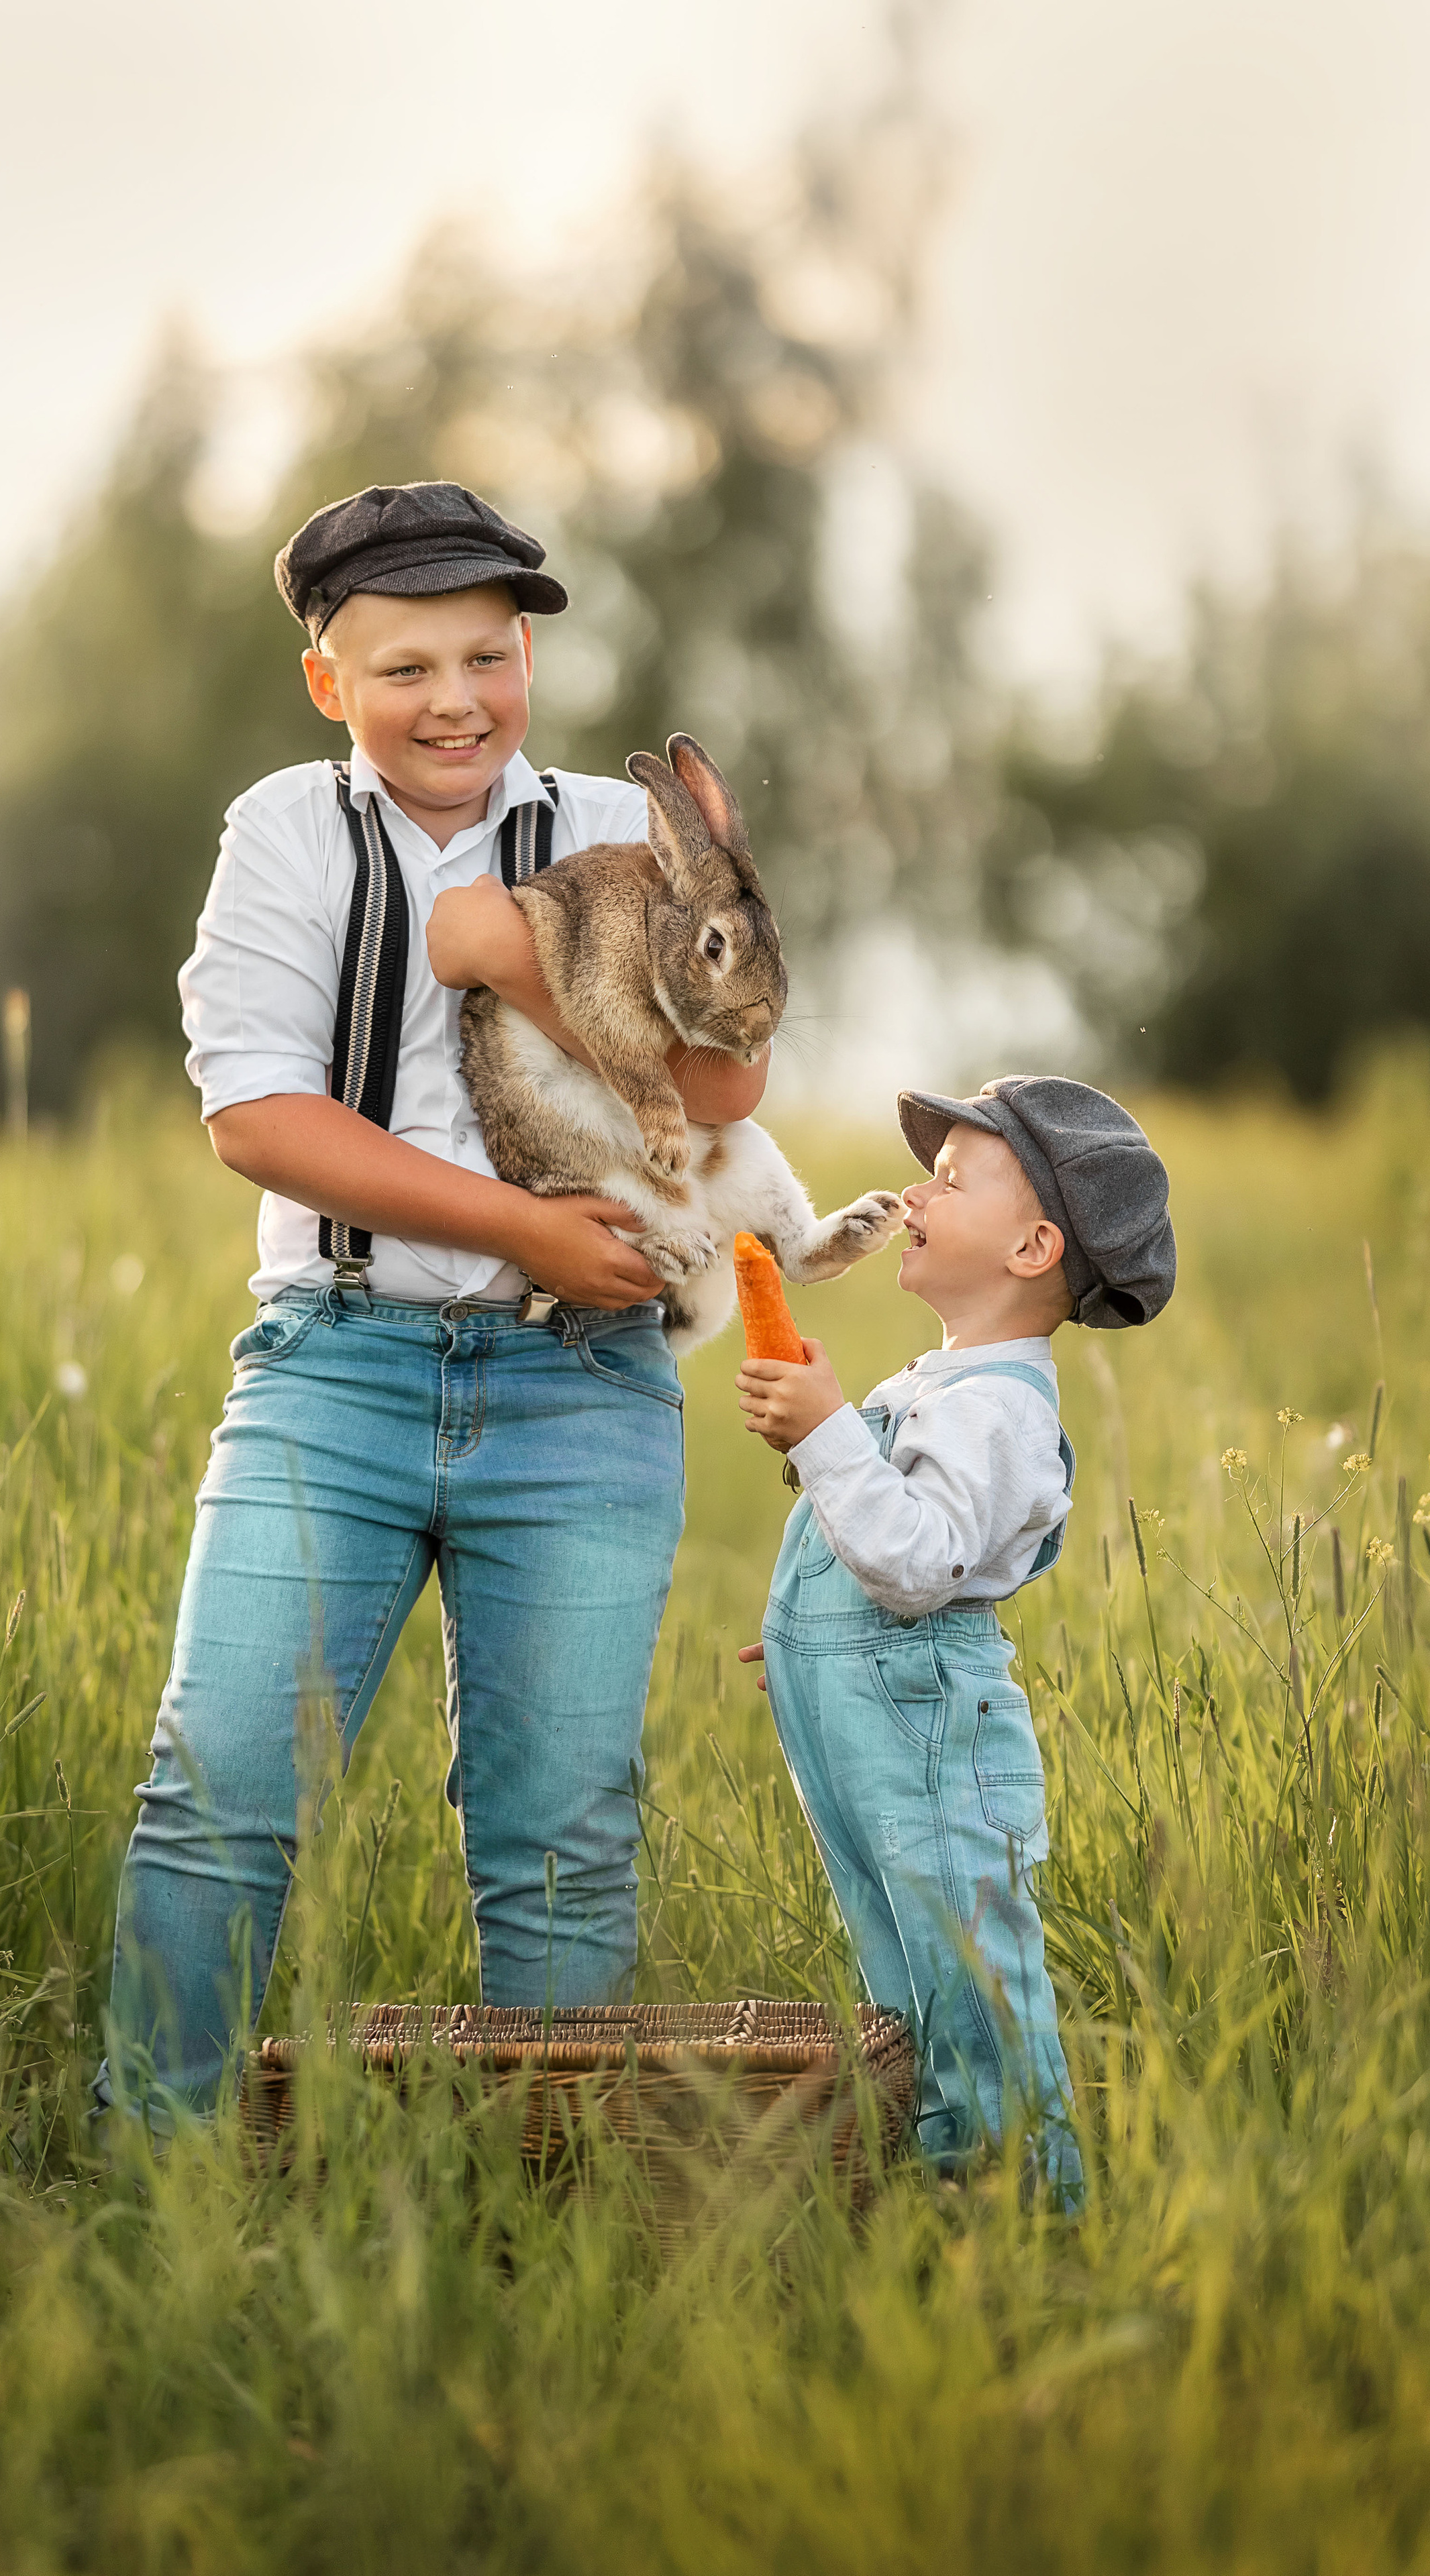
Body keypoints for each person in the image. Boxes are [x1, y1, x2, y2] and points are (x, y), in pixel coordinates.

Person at [97, 481, 766, 2118]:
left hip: (584, 1383)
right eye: (403, 668)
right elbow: (257, 1114)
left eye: (486, 654)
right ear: (329, 680)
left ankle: (554, 2209)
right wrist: (519, 1228)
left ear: (527, 652)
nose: (454, 699)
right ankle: (152, 2180)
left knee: (562, 1837)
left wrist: (516, 961)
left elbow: (725, 1077)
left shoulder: (610, 853)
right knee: (220, 1790)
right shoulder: (286, 832)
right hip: (339, 1364)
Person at [734, 1077, 1176, 2200]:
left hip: (928, 1722)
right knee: (900, 1973)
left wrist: (829, 1430)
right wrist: (812, 1618)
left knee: (964, 1973)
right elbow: (885, 1546)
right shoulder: (944, 1381)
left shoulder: (1002, 1411)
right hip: (871, 1711)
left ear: (1032, 1246)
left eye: (949, 1180)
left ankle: (1030, 2201)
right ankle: (947, 2179)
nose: (913, 1195)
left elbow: (923, 1564)